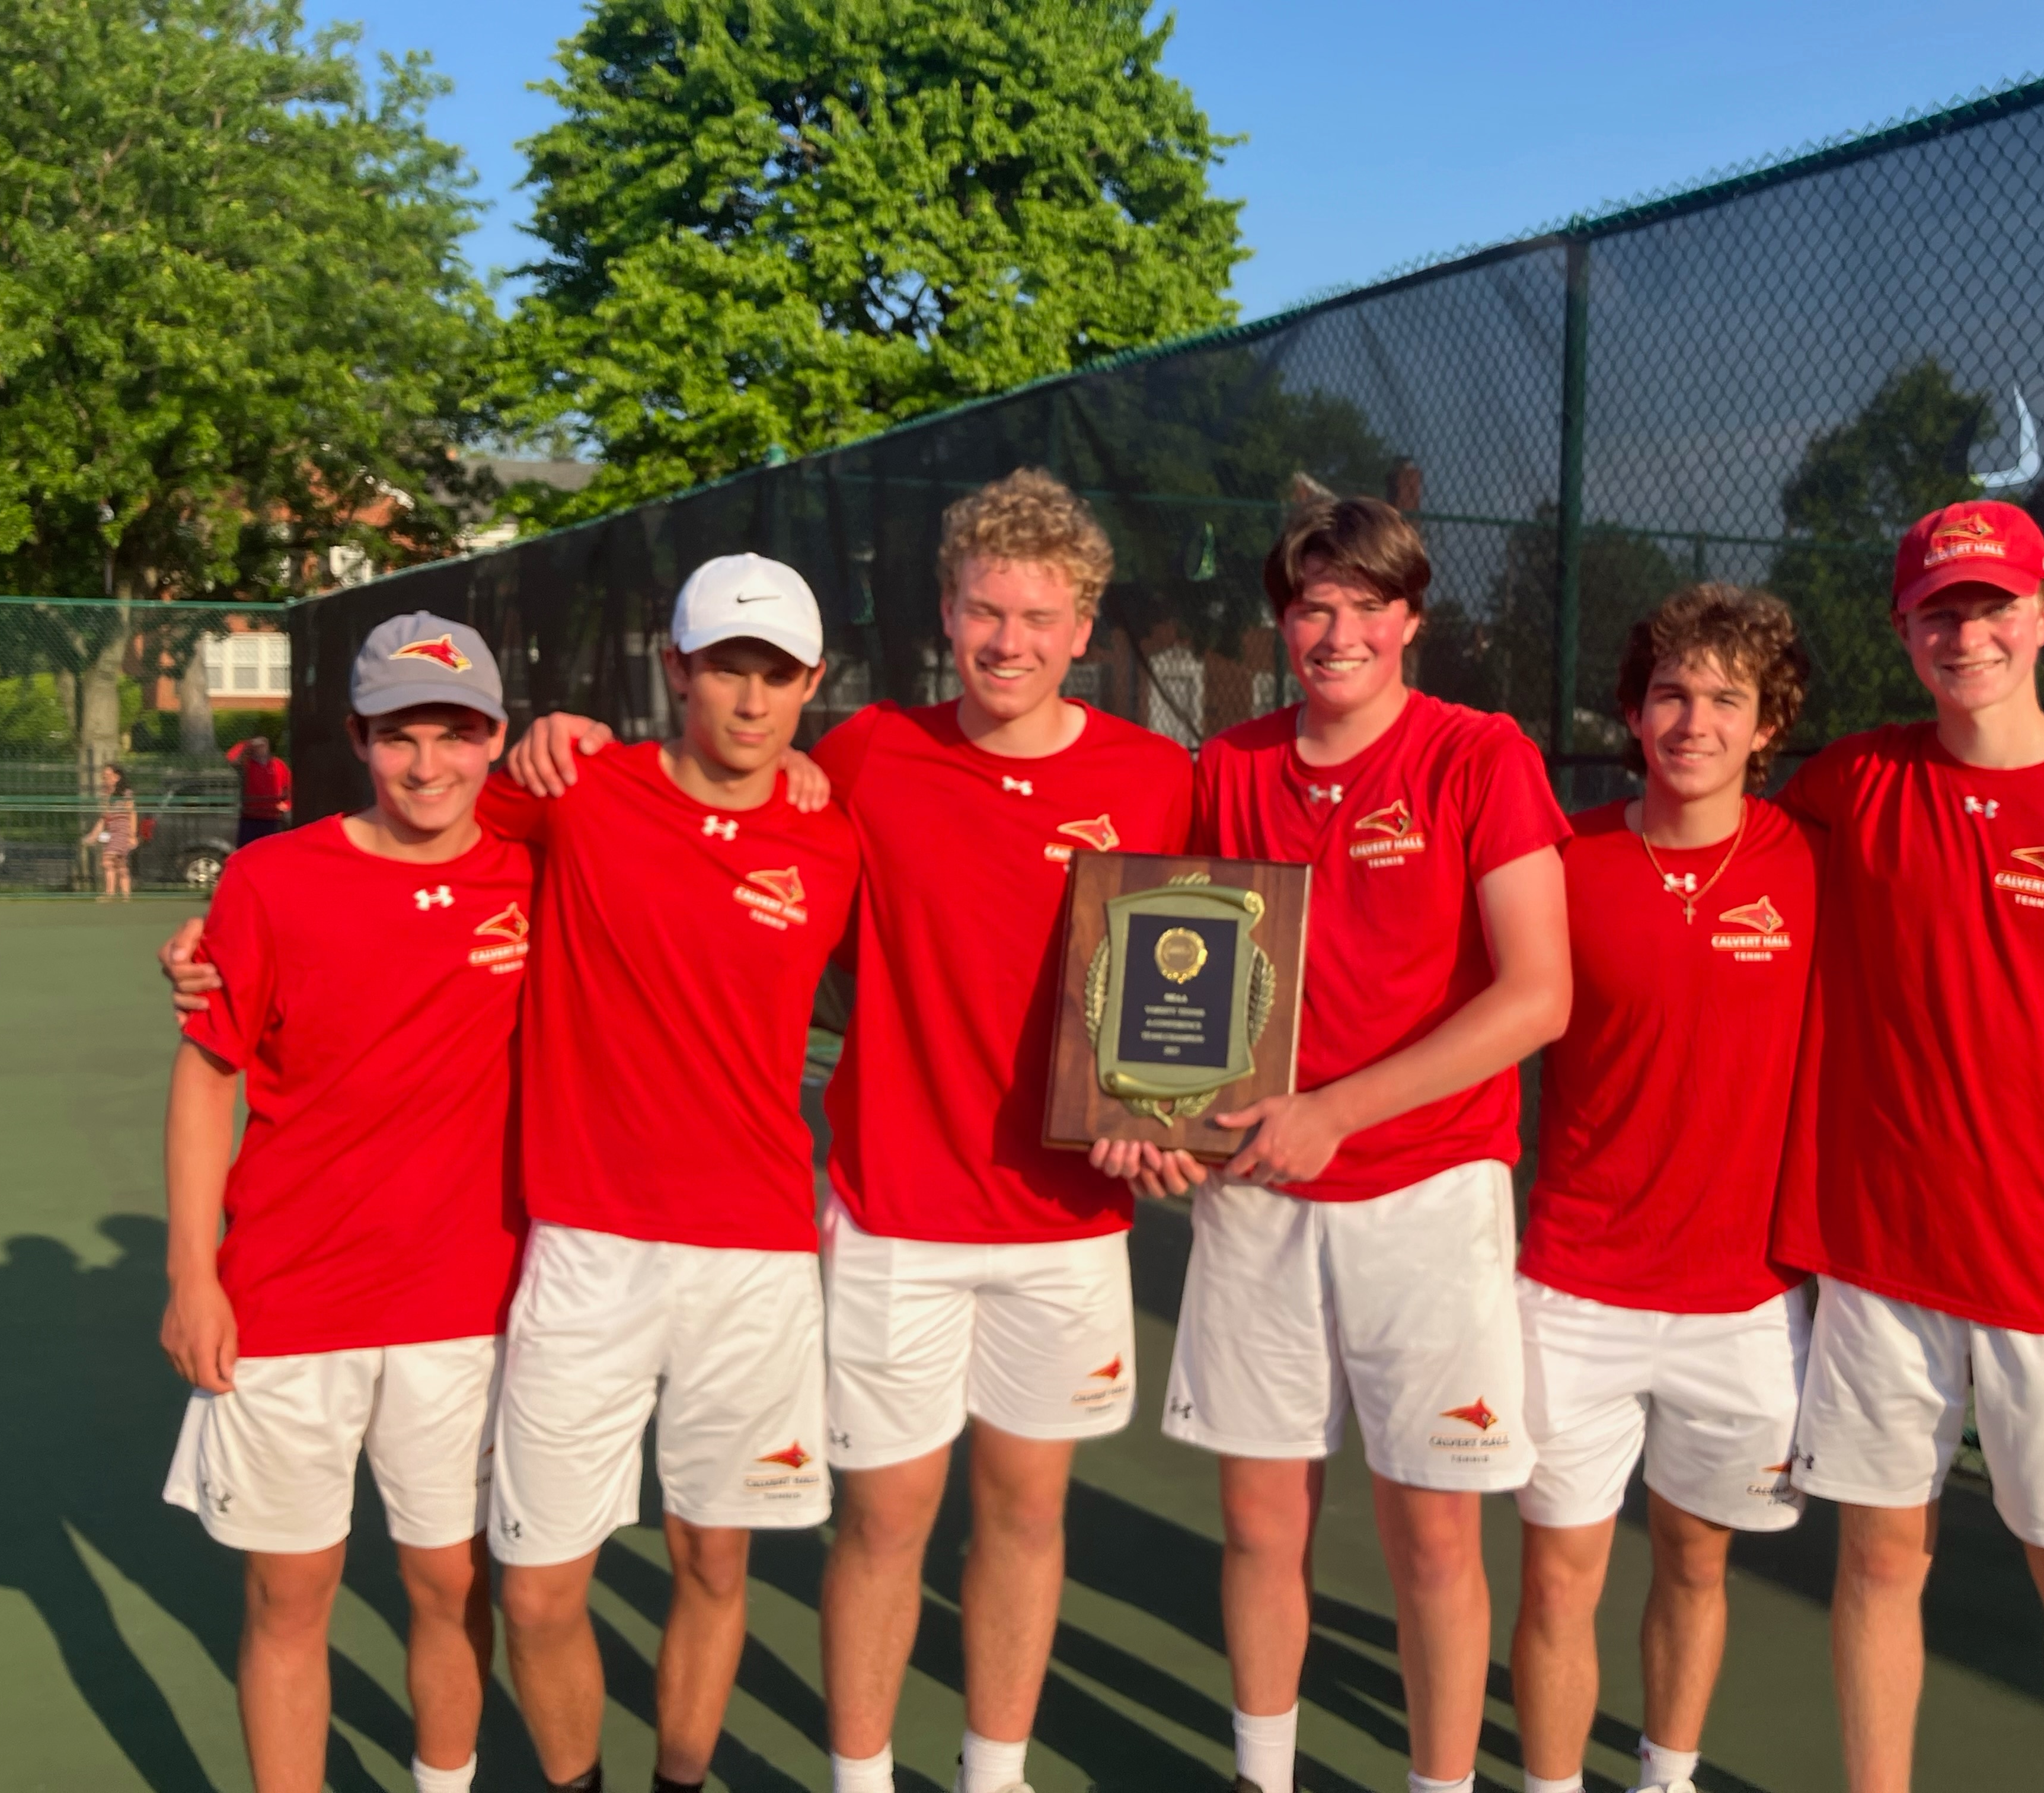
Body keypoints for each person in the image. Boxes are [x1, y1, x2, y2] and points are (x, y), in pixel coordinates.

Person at [509, 470, 1193, 1793]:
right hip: (893, 1214)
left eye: (1038, 618)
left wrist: (1180, 1123)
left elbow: (1202, 980)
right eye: (986, 612)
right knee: (884, 1520)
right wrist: (565, 731)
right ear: (947, 614)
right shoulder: (870, 756)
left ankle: (991, 1778)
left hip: (1066, 1223)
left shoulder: (1158, 778)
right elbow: (734, 788)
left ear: (1083, 628)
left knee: (1026, 1513)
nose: (1008, 642)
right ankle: (863, 1780)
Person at [1097, 494, 1572, 1793]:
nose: (1339, 631)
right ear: (1281, 620)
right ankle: (1265, 1774)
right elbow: (1168, 972)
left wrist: (1339, 1111)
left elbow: (1539, 993)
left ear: (1413, 619)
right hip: (1258, 1196)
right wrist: (1150, 1116)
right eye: (1314, 606)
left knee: (1431, 1539)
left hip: (1429, 1197)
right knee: (1259, 1523)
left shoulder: (1479, 756)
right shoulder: (1231, 766)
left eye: (1368, 605)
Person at [1775, 500, 2044, 1793]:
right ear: (1904, 627)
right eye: (1938, 610)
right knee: (1878, 1563)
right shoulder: (1852, 784)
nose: (1966, 633)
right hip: (1875, 1262)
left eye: (1990, 606)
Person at [484, 556, 857, 1793]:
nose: (751, 702)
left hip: (753, 1259)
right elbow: (401, 832)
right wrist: (226, 926)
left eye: (778, 676)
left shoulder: (832, 829)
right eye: (726, 670)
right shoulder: (578, 789)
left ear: (813, 684)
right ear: (675, 669)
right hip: (587, 1248)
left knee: (715, 1565)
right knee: (537, 1591)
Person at [158, 612, 528, 1793]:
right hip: (287, 1300)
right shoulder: (273, 879)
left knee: (450, 1585)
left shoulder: (540, 864)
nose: (430, 767)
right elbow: (208, 1077)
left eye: (457, 736)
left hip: (468, 1305)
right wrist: (191, 1277)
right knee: (287, 1594)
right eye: (401, 737)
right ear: (358, 738)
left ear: (497, 739)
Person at [1510, 586, 1816, 1793]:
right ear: (1633, 712)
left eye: (1726, 698)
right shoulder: (1564, 859)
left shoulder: (1813, 863)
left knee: (1695, 1564)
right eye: (1673, 694)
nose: (1695, 720)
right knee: (1557, 1577)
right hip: (1573, 1291)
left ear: (1766, 723)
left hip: (1745, 1306)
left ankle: (1665, 1777)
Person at [230, 732, 293, 847]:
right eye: (258, 745)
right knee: (247, 851)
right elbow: (233, 758)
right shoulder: (247, 764)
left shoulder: (279, 765)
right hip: (251, 818)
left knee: (272, 850)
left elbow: (289, 788)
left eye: (263, 744)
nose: (261, 748)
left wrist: (287, 805)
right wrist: (247, 744)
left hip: (273, 818)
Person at [85, 762, 138, 899]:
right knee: (120, 864)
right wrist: (94, 835)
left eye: (108, 775)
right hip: (112, 831)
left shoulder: (126, 794)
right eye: (104, 776)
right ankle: (125, 895)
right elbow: (104, 817)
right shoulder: (105, 794)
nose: (105, 778)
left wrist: (132, 835)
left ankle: (111, 893)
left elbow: (132, 814)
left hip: (123, 831)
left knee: (108, 860)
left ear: (117, 777)